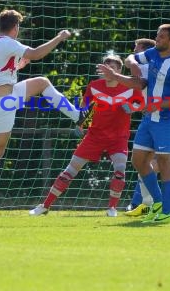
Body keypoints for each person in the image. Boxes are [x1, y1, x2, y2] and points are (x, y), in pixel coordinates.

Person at [0, 9, 91, 217]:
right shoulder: (7, 42)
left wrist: (18, 65)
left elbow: (4, 70)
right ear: (15, 27)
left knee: (42, 83)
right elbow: (35, 54)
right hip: (3, 102)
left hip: (1, 98)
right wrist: (59, 38)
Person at [99, 24, 170, 224]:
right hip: (149, 119)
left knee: (167, 164)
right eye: (157, 36)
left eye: (161, 37)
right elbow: (133, 64)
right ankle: (159, 202)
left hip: (167, 121)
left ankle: (168, 210)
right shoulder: (152, 54)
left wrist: (156, 105)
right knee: (139, 160)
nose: (157, 40)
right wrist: (128, 67)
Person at [29, 53, 144, 217]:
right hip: (94, 135)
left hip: (118, 137)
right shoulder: (94, 85)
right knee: (70, 170)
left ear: (119, 70)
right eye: (105, 68)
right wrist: (80, 123)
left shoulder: (130, 87)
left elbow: (140, 102)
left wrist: (132, 107)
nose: (108, 71)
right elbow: (85, 106)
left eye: (112, 68)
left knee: (120, 170)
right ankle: (45, 206)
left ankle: (112, 209)